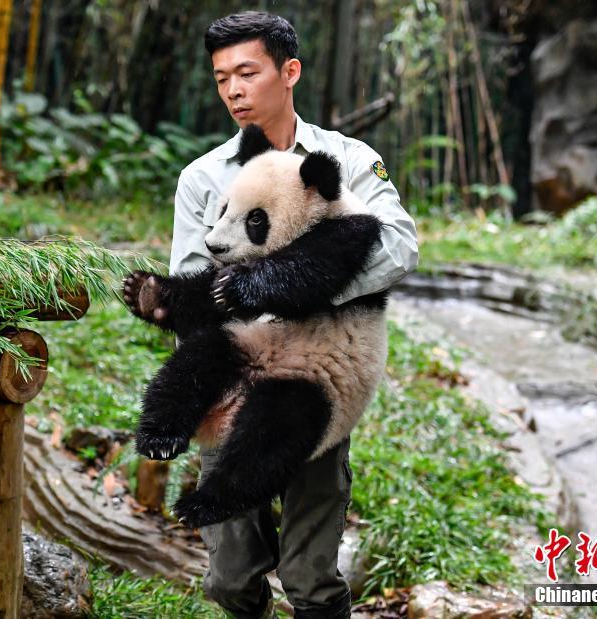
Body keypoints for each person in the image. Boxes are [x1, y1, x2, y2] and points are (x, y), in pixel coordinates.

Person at [169, 11, 419, 619]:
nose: (233, 89)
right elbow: (188, 284)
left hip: (317, 384)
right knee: (229, 579)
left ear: (290, 72)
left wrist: (293, 289)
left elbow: (398, 246)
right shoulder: (204, 177)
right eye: (222, 77)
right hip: (235, 379)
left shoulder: (350, 160)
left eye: (247, 72)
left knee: (311, 580)